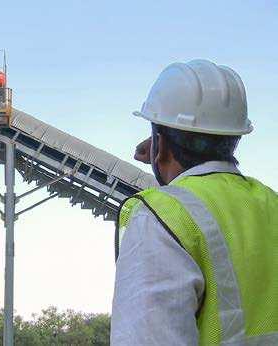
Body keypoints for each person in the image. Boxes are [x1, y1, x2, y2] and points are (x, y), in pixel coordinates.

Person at [111, 60, 278, 345]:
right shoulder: (269, 203)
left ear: (159, 144)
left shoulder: (160, 218)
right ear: (234, 139)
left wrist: (162, 159)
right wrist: (164, 151)